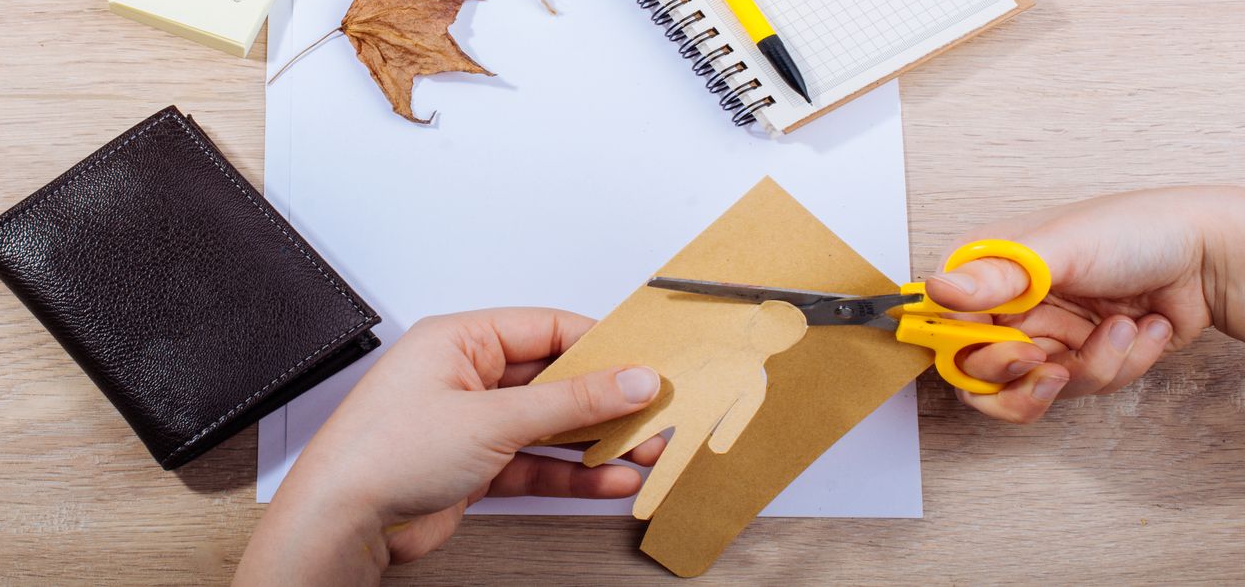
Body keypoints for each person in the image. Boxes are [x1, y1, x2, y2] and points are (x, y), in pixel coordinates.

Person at [234, 186, 1243, 585]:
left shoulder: (751, 367)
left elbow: (728, 414)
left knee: (668, 478)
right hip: (681, 433)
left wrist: (334, 507)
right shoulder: (741, 361)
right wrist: (1204, 257)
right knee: (661, 479)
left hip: (689, 433)